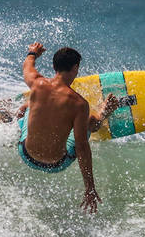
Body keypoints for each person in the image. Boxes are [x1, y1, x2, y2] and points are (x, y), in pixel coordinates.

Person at [17, 43, 117, 213]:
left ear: (54, 66)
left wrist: (33, 52)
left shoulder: (37, 83)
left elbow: (28, 65)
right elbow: (81, 146)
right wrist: (90, 187)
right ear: (75, 68)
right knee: (90, 121)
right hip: (56, 163)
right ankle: (104, 112)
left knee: (26, 107)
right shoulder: (78, 104)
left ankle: (12, 114)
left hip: (26, 154)